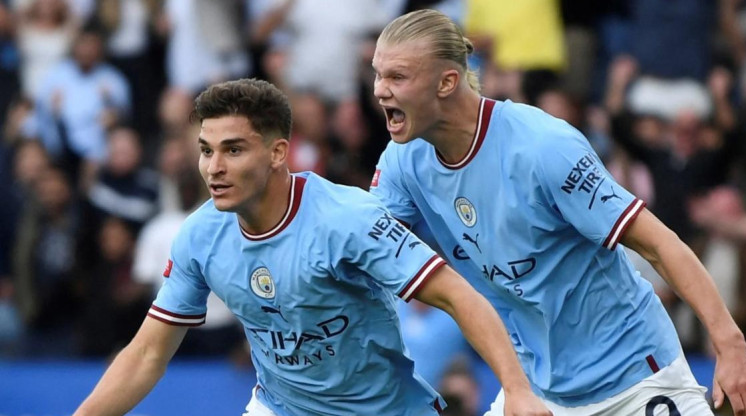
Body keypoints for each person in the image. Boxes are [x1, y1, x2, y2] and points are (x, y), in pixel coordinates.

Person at [369, 9, 746, 416]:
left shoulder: (543, 147)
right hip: (535, 387)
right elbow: (361, 249)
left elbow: (659, 245)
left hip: (633, 379)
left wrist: (732, 347)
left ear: (447, 82)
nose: (379, 90)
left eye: (396, 77)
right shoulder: (403, 161)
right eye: (377, 74)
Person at [73, 78, 551, 416]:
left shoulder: (348, 219)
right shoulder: (200, 234)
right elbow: (146, 355)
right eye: (206, 149)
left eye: (233, 149)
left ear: (278, 152)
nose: (213, 167)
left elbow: (458, 294)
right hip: (278, 408)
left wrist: (517, 390)